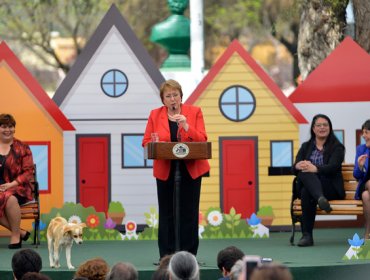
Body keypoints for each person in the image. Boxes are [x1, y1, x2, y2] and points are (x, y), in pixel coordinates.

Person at [142, 79, 210, 259]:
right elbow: (146, 142)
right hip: (166, 169)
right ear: (163, 100)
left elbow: (202, 140)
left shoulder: (194, 112)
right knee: (167, 213)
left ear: (181, 96)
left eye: (176, 95)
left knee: (189, 213)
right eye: (168, 96)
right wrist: (156, 144)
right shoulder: (155, 115)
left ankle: (188, 256)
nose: (173, 99)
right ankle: (167, 256)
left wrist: (186, 125)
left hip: (191, 170)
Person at [292, 114, 345, 247]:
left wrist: (315, 169)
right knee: (304, 175)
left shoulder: (337, 147)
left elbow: (333, 167)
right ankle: (320, 198)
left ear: (330, 128)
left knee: (306, 187)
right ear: (313, 129)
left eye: (325, 125)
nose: (322, 127)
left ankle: (307, 236)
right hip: (315, 191)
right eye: (319, 125)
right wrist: (297, 166)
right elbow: (294, 168)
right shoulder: (306, 146)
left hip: (330, 187)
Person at [0, 114, 35, 249]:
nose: (7, 130)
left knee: (9, 198)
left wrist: (11, 184)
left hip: (19, 187)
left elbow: (28, 172)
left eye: (10, 126)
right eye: (3, 126)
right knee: (4, 196)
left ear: (14, 129)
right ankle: (20, 232)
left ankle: (15, 236)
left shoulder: (22, 148)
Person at [353, 119, 370, 239]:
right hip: (365, 184)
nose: (363, 135)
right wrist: (359, 166)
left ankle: (368, 233)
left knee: (366, 196)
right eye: (363, 132)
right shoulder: (361, 149)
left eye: (366, 132)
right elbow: (356, 175)